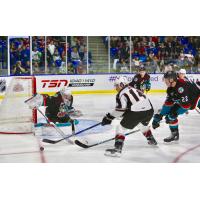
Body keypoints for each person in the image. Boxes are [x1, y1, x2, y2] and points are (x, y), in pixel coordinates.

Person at [101, 76, 157, 157]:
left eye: (117, 85)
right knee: (140, 124)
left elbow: (120, 109)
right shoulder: (134, 88)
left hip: (137, 111)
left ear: (121, 84)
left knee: (120, 127)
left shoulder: (121, 93)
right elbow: (131, 105)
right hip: (150, 110)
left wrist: (109, 117)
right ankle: (151, 139)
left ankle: (117, 149)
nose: (116, 88)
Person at [152, 71, 200, 142]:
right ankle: (174, 134)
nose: (165, 81)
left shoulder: (181, 88)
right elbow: (168, 104)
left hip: (197, 98)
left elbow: (186, 106)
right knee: (172, 113)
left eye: (166, 80)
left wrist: (174, 115)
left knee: (172, 114)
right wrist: (160, 115)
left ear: (171, 80)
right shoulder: (170, 89)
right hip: (189, 100)